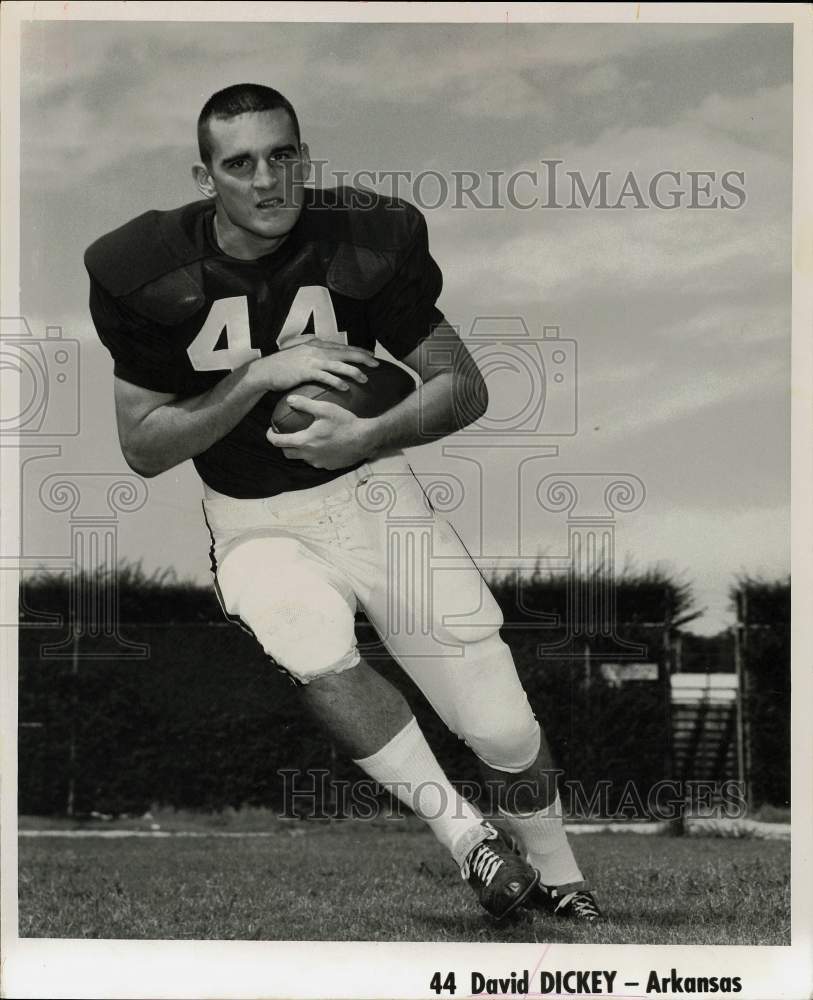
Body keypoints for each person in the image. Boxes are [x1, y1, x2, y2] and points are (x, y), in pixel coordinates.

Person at [84, 83, 600, 924]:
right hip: (254, 518)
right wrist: (255, 376)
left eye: (283, 155)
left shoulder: (364, 237)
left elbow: (463, 386)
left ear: (304, 156)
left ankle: (560, 876)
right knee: (305, 636)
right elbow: (143, 448)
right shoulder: (147, 270)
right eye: (240, 162)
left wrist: (365, 436)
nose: (267, 179)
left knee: (502, 730)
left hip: (375, 498)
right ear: (204, 175)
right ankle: (467, 839)